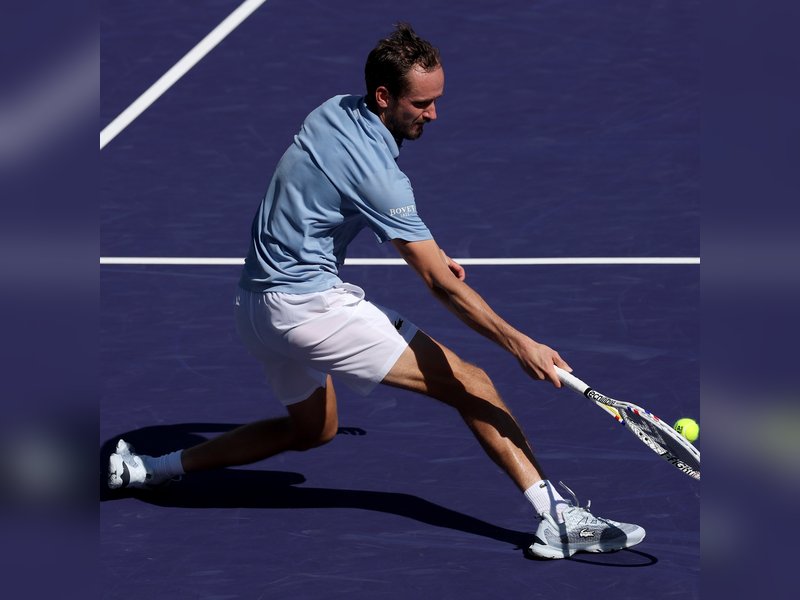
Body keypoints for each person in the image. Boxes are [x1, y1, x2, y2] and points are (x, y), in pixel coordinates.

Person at [108, 23, 645, 560]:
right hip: (308, 309)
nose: (433, 115)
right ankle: (556, 519)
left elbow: (328, 203)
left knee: (314, 430)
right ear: (384, 96)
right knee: (474, 384)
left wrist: (430, 250)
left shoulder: (332, 111)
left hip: (253, 308)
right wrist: (520, 342)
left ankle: (149, 469)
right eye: (422, 104)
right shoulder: (380, 176)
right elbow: (437, 283)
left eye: (437, 101)